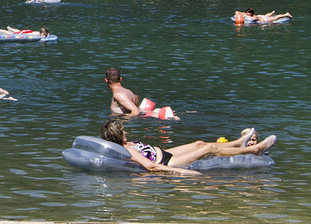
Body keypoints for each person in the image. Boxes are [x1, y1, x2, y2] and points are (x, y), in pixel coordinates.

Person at [99, 118, 274, 175]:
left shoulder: (127, 144)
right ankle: (254, 149)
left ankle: (237, 142)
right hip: (169, 162)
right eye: (122, 130)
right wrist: (184, 172)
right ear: (117, 135)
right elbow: (151, 167)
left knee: (199, 143)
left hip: (166, 153)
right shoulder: (128, 150)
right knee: (208, 149)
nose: (126, 131)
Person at [105, 67, 177, 119]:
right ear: (120, 79)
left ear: (106, 80)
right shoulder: (128, 91)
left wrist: (122, 119)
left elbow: (135, 111)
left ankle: (164, 115)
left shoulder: (118, 94)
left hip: (131, 122)